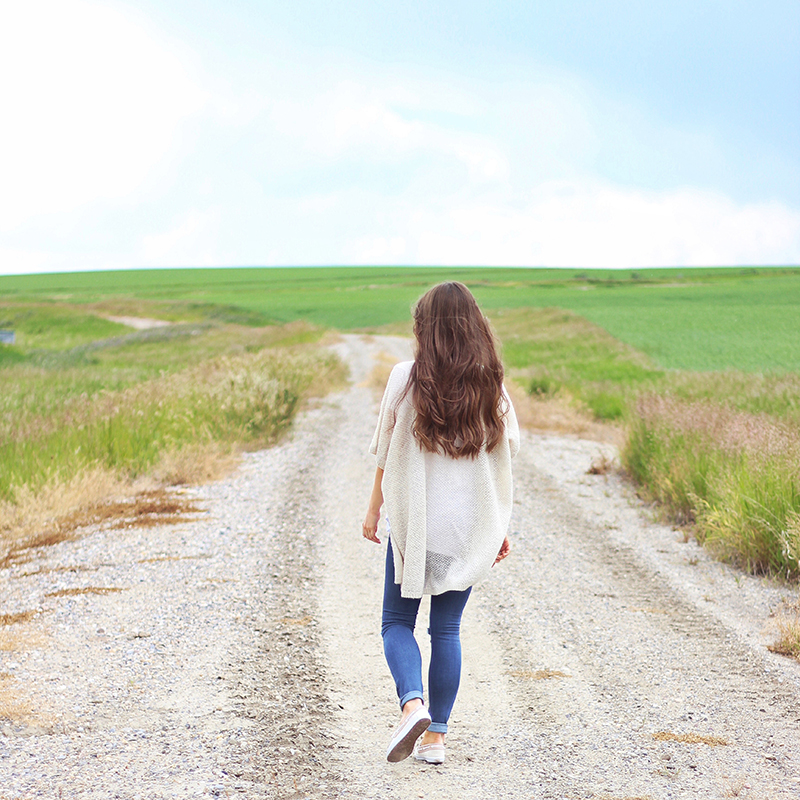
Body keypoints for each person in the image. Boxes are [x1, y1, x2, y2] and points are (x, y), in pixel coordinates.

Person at [362, 281, 519, 765]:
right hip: (467, 528)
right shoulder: (492, 386)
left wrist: (373, 509)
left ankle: (412, 705)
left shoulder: (405, 378)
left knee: (395, 622)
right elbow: (504, 458)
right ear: (476, 327)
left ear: (423, 328)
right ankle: (436, 740)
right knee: (446, 631)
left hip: (416, 525)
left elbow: (385, 450)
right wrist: (498, 528)